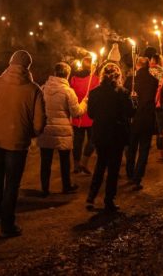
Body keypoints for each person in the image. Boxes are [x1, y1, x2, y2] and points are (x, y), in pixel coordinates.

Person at [0, 50, 45, 238]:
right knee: (12, 183)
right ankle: (7, 224)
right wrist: (29, 133)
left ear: (10, 63)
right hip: (18, 143)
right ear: (27, 67)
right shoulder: (34, 90)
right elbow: (40, 122)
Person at [86, 63, 134, 211]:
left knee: (100, 165)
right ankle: (109, 200)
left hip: (101, 134)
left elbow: (91, 114)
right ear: (119, 76)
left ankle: (91, 197)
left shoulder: (94, 93)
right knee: (113, 169)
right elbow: (130, 113)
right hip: (117, 135)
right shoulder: (123, 93)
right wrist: (134, 101)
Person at [37, 62, 86, 197]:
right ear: (67, 75)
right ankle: (66, 186)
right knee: (64, 161)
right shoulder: (68, 92)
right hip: (62, 131)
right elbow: (76, 112)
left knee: (45, 161)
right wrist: (84, 103)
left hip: (46, 129)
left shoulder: (43, 88)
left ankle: (44, 189)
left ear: (54, 72)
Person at [124, 50, 158, 191]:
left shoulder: (130, 80)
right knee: (144, 149)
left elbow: (124, 100)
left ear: (137, 65)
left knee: (131, 148)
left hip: (133, 118)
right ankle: (137, 177)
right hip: (147, 118)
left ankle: (130, 173)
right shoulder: (153, 80)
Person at [70, 57, 99, 175]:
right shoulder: (95, 80)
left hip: (77, 116)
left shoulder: (73, 79)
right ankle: (84, 163)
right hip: (91, 115)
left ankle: (76, 165)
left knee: (77, 141)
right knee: (93, 140)